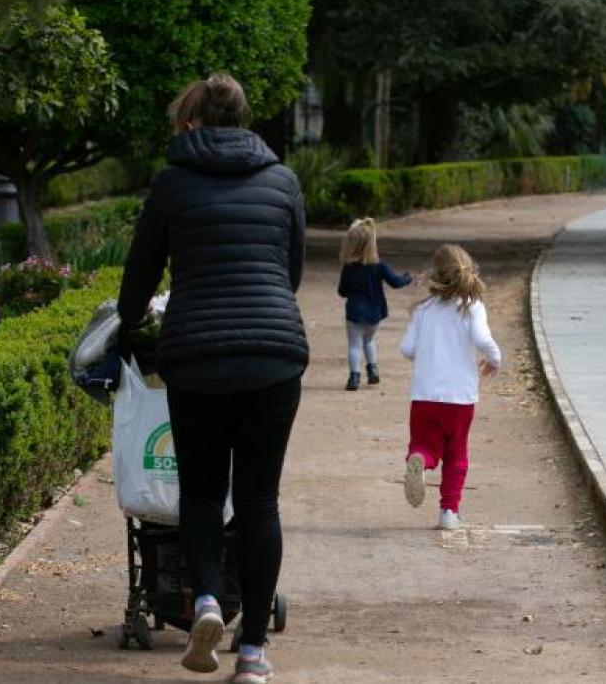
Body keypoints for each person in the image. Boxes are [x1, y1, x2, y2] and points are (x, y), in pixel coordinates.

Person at [117, 73, 306, 684]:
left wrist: (130, 323)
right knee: (258, 501)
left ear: (191, 122)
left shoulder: (172, 184)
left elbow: (139, 277)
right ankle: (252, 652)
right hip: (273, 356)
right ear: (244, 119)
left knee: (200, 491)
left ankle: (204, 602)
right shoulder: (282, 179)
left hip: (197, 359)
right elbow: (292, 272)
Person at [399, 244, 501, 530]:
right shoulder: (472, 307)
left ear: (435, 274)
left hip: (424, 396)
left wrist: (426, 355)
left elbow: (406, 348)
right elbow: (482, 339)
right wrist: (495, 359)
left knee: (424, 445)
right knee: (457, 453)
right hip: (460, 397)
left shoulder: (425, 309)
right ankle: (448, 513)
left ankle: (420, 459)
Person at [337, 217, 412, 391]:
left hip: (354, 314)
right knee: (369, 341)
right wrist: (407, 278)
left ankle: (354, 377)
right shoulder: (379, 266)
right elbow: (395, 282)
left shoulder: (349, 267)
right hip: (374, 314)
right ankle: (372, 369)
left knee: (354, 345)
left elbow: (342, 291)